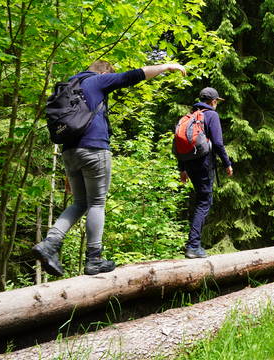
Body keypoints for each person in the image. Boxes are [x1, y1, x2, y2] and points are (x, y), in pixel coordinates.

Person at [33, 60, 187, 277]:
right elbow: (133, 76)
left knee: (79, 203)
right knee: (96, 202)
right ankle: (94, 259)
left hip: (69, 152)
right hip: (94, 148)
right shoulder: (96, 81)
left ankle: (50, 243)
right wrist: (166, 67)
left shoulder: (70, 85)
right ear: (104, 71)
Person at [178, 87, 233, 259]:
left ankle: (193, 244)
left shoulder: (189, 116)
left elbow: (177, 145)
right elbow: (217, 143)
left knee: (201, 200)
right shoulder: (211, 115)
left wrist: (182, 168)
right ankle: (193, 245)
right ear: (214, 101)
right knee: (204, 202)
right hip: (204, 163)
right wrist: (227, 163)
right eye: (217, 101)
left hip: (190, 163)